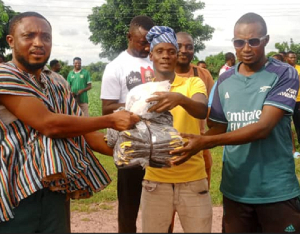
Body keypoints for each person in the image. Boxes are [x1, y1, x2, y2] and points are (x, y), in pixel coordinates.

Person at [0, 11, 140, 233]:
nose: (39, 43)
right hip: (15, 191)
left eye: (46, 37)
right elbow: (50, 125)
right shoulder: (4, 76)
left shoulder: (56, 82)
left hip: (55, 188)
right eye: (29, 36)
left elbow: (87, 134)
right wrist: (110, 120)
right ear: (11, 41)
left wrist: (142, 152)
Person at [171, 12, 300, 232]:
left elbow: (263, 128)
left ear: (266, 40)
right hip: (236, 189)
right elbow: (219, 126)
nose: (246, 48)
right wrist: (192, 145)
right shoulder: (225, 78)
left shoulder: (284, 73)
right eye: (239, 42)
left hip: (276, 189)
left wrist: (203, 143)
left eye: (254, 41)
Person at [141, 25, 212, 233]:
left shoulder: (193, 83)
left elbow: (200, 110)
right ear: (151, 55)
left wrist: (180, 99)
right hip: (155, 181)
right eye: (160, 51)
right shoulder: (143, 92)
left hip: (193, 180)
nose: (166, 56)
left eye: (171, 51)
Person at [100, 15, 155, 233]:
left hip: (157, 145)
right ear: (129, 36)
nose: (147, 47)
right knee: (129, 207)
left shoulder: (157, 61)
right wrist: (140, 104)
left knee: (162, 205)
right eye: (142, 42)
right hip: (130, 148)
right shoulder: (116, 67)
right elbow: (107, 108)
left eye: (151, 42)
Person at [175, 31, 214, 188]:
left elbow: (212, 107)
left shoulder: (203, 74)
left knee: (200, 193)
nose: (184, 50)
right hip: (167, 144)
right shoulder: (160, 74)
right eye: (179, 46)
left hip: (199, 142)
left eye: (189, 47)